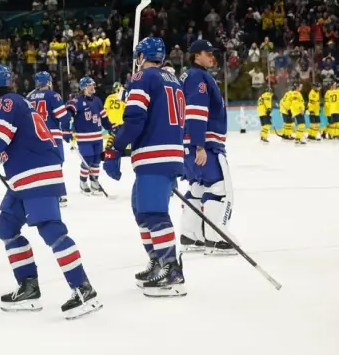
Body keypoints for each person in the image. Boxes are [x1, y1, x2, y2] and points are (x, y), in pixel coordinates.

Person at [0, 63, 101, 319]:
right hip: (25, 177)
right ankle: (29, 287)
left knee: (51, 230)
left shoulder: (6, 103)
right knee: (6, 227)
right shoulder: (14, 103)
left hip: (36, 174)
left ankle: (84, 289)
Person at [103, 37, 186, 297]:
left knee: (154, 212)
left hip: (154, 154)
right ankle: (158, 261)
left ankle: (172, 271)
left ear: (141, 57)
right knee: (141, 209)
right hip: (168, 153)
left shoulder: (142, 79)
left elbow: (136, 119)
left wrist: (116, 146)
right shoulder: (175, 81)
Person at [179, 40, 234, 255]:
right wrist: (199, 145)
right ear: (196, 56)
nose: (212, 57)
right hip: (204, 145)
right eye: (208, 53)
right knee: (218, 188)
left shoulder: (187, 77)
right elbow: (196, 112)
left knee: (197, 188)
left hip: (188, 145)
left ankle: (191, 235)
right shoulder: (199, 78)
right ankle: (216, 238)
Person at [67, 77, 113, 197]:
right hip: (84, 138)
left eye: (93, 85)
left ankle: (94, 182)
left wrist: (110, 127)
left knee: (97, 160)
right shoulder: (77, 101)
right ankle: (83, 182)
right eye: (89, 85)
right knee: (88, 160)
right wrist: (69, 105)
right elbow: (68, 113)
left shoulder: (97, 100)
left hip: (97, 136)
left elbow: (103, 117)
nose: (93, 87)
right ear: (83, 88)